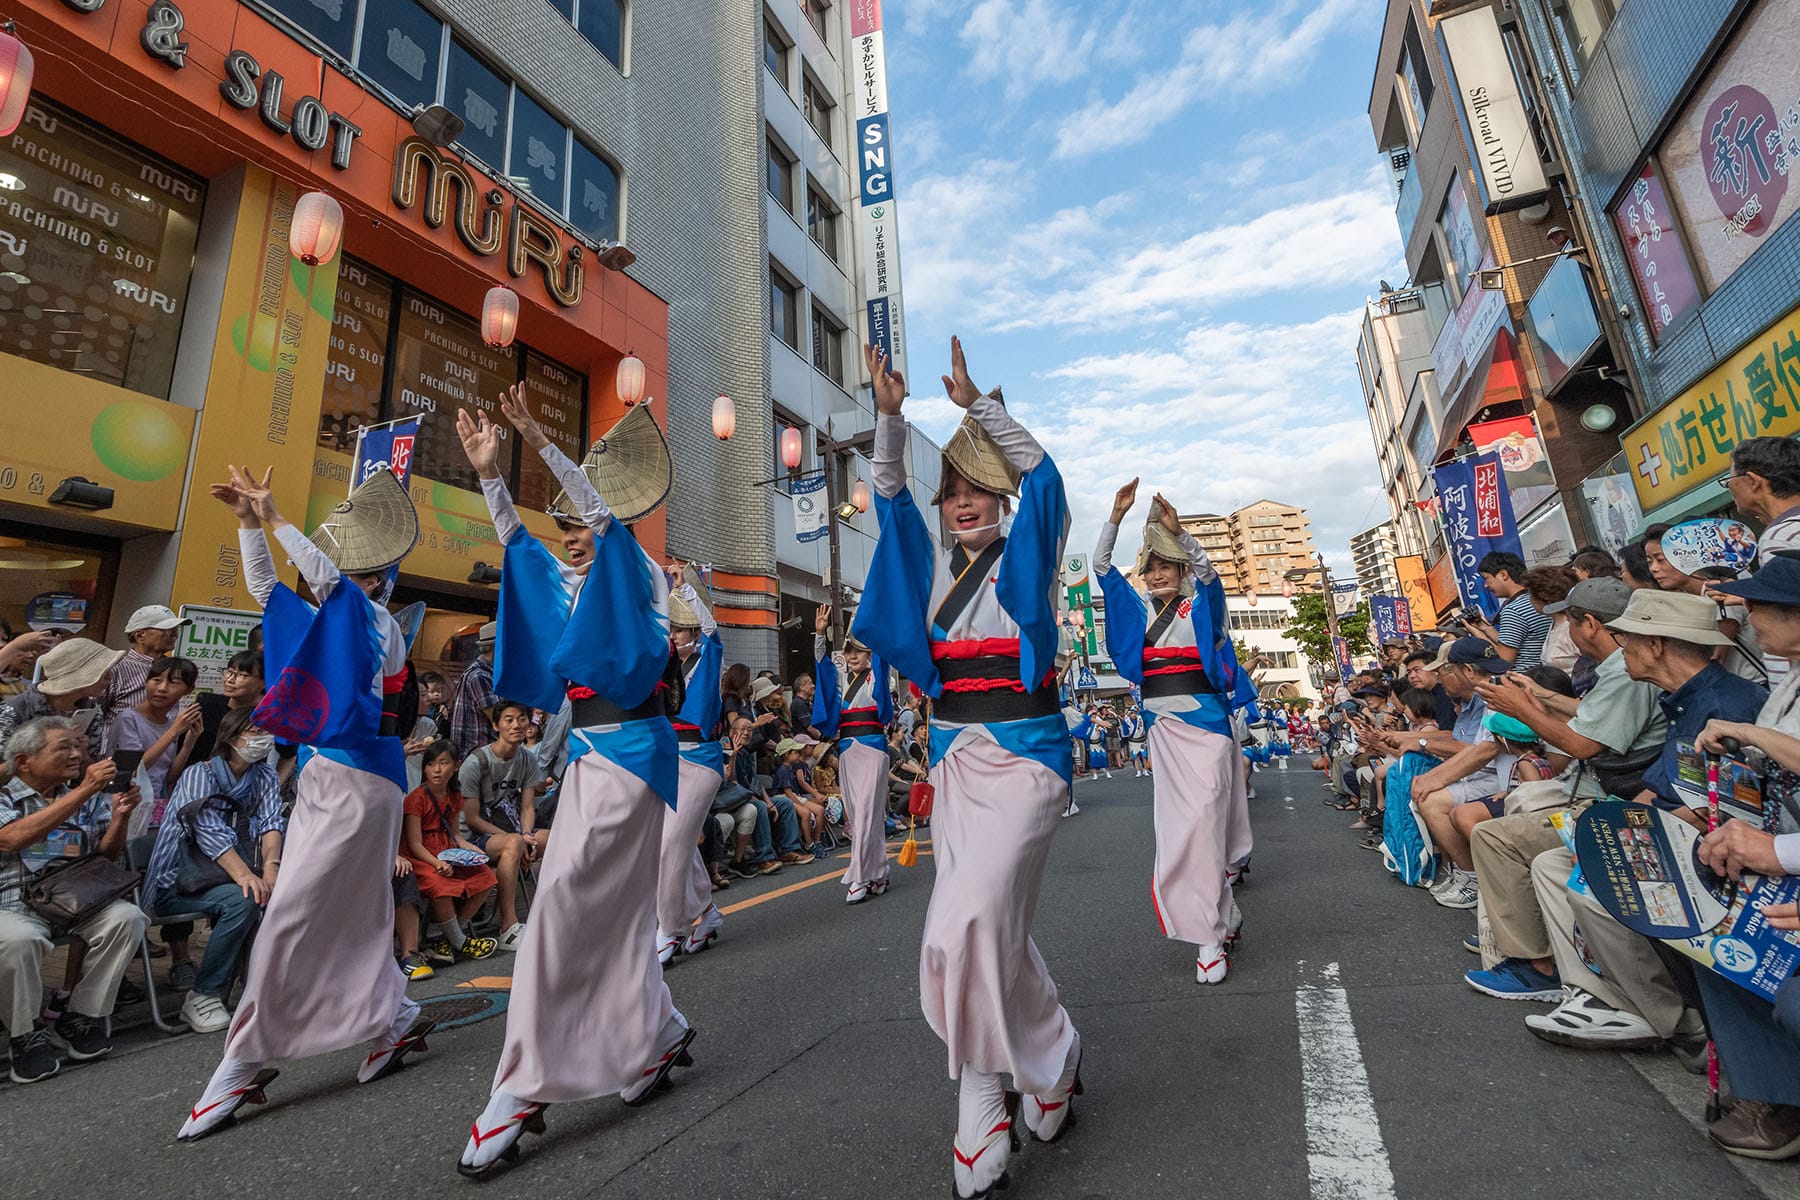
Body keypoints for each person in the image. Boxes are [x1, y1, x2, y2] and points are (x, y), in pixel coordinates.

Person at [853, 337, 1082, 1197]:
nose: (962, 502)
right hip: (953, 758)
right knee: (986, 926)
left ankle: (982, 1091)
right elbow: (886, 495)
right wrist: (887, 416)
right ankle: (1053, 1058)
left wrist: (978, 408)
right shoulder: (926, 560)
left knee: (970, 920)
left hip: (1027, 757)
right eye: (951, 489)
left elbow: (1049, 480)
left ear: (1003, 496)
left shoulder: (1032, 549)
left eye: (979, 487)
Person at [455, 385, 694, 1177]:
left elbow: (603, 526)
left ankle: (521, 1086)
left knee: (560, 907)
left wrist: (535, 436)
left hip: (634, 752)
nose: (573, 537)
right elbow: (522, 556)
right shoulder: (576, 581)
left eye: (584, 524)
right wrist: (494, 476)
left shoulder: (640, 572)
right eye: (566, 527)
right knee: (617, 914)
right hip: (596, 757)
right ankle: (654, 1034)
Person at [177, 462, 436, 1141]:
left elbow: (324, 581)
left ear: (375, 578)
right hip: (328, 777)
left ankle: (244, 1057)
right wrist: (246, 524)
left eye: (353, 567)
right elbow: (268, 588)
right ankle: (396, 1020)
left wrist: (274, 514)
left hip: (361, 782)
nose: (339, 574)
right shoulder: (332, 618)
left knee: (293, 912)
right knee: (353, 913)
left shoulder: (376, 619)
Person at [1097, 479, 1255, 984]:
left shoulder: (1200, 604)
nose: (1158, 575)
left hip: (1207, 725)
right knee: (1180, 829)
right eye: (1152, 568)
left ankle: (1212, 926)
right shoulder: (1139, 609)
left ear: (1182, 570)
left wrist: (1182, 535)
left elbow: (1211, 579)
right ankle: (1214, 923)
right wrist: (1116, 518)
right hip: (1162, 727)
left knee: (1206, 820)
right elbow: (1101, 569)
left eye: (1167, 567)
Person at [1689, 552, 1800, 1156]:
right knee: (1712, 936)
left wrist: (1773, 851)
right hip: (1777, 854)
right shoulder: (1786, 679)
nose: (1748, 616)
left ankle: (1783, 1104)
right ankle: (1772, 1090)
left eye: (1759, 605)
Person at [1, 718, 145, 1083]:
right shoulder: (5, 797)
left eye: (78, 746)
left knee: (128, 918)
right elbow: (12, 839)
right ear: (23, 762)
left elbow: (104, 856)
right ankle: (25, 1035)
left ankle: (80, 1015)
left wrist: (119, 818)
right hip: (12, 905)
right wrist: (83, 791)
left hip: (75, 900)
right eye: (63, 747)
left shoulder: (86, 795)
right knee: (21, 940)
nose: (77, 754)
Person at [143, 706, 284, 1034]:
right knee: (244, 898)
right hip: (178, 881)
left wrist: (271, 870)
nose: (264, 739)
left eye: (267, 732)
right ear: (233, 738)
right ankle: (203, 994)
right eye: (256, 732)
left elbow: (272, 823)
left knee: (274, 892)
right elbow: (208, 833)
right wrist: (248, 877)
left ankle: (264, 985)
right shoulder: (199, 774)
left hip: (224, 878)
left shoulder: (262, 776)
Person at [657, 570, 727, 963]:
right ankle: (707, 912)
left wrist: (684, 588)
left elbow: (713, 630)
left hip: (701, 761)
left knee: (670, 844)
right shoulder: (665, 669)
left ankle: (669, 929)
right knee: (668, 844)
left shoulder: (709, 658)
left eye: (679, 630)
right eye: (670, 630)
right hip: (668, 760)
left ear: (693, 633)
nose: (673, 636)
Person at [812, 602, 894, 905]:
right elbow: (822, 671)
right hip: (848, 749)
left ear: (870, 654)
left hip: (873, 748)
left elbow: (884, 653)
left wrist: (873, 621)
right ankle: (880, 870)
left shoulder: (878, 677)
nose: (853, 657)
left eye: (859, 652)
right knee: (861, 815)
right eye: (849, 652)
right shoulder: (840, 679)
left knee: (867, 813)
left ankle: (859, 876)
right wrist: (820, 636)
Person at [459, 699, 547, 950]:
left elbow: (528, 806)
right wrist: (517, 839)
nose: (516, 725)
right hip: (474, 835)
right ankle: (508, 926)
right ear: (496, 725)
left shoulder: (527, 759)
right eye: (508, 720)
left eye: (522, 718)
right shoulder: (476, 762)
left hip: (511, 827)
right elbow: (472, 818)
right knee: (514, 843)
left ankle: (551, 915)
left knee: (551, 838)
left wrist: (527, 835)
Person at [403, 740, 499, 966]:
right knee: (439, 883)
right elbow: (415, 843)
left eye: (443, 763)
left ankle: (450, 936)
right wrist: (436, 862)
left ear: (456, 766)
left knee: (485, 877)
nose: (436, 770)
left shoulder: (455, 795)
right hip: (422, 857)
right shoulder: (416, 798)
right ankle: (461, 941)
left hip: (447, 850)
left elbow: (455, 834)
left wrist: (473, 851)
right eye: (431, 764)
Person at [109, 655, 203, 824]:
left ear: (188, 690)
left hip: (153, 809)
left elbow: (168, 777)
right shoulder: (128, 719)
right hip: (124, 805)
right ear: (146, 682)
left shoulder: (170, 725)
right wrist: (173, 733)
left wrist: (189, 742)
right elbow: (135, 768)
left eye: (173, 683)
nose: (162, 688)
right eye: (156, 680)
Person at [0, 637, 122, 766]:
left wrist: (83, 754)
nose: (110, 678)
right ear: (79, 674)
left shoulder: (91, 712)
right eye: (103, 672)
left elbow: (86, 772)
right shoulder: (14, 711)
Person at [101, 605, 190, 719]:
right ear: (139, 636)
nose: (175, 634)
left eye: (176, 628)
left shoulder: (175, 669)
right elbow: (93, 716)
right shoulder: (116, 669)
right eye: (166, 629)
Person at [1466, 551, 1552, 669]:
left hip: (1527, 679)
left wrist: (1478, 634)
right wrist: (1485, 628)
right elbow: (1513, 642)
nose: (1486, 586)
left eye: (1486, 579)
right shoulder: (1536, 599)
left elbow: (1504, 659)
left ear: (1503, 574)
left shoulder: (1514, 610)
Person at [450, 624, 499, 761]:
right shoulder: (480, 675)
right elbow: (499, 719)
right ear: (496, 648)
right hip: (478, 756)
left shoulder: (485, 673)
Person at [1120, 701, 1149, 777]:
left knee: (1144, 756)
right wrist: (1123, 722)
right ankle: (1138, 770)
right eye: (1132, 713)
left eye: (1134, 713)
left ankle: (1145, 769)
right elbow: (1126, 732)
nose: (1133, 715)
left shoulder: (1140, 719)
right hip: (1133, 741)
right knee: (1134, 756)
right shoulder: (1127, 721)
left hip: (1141, 740)